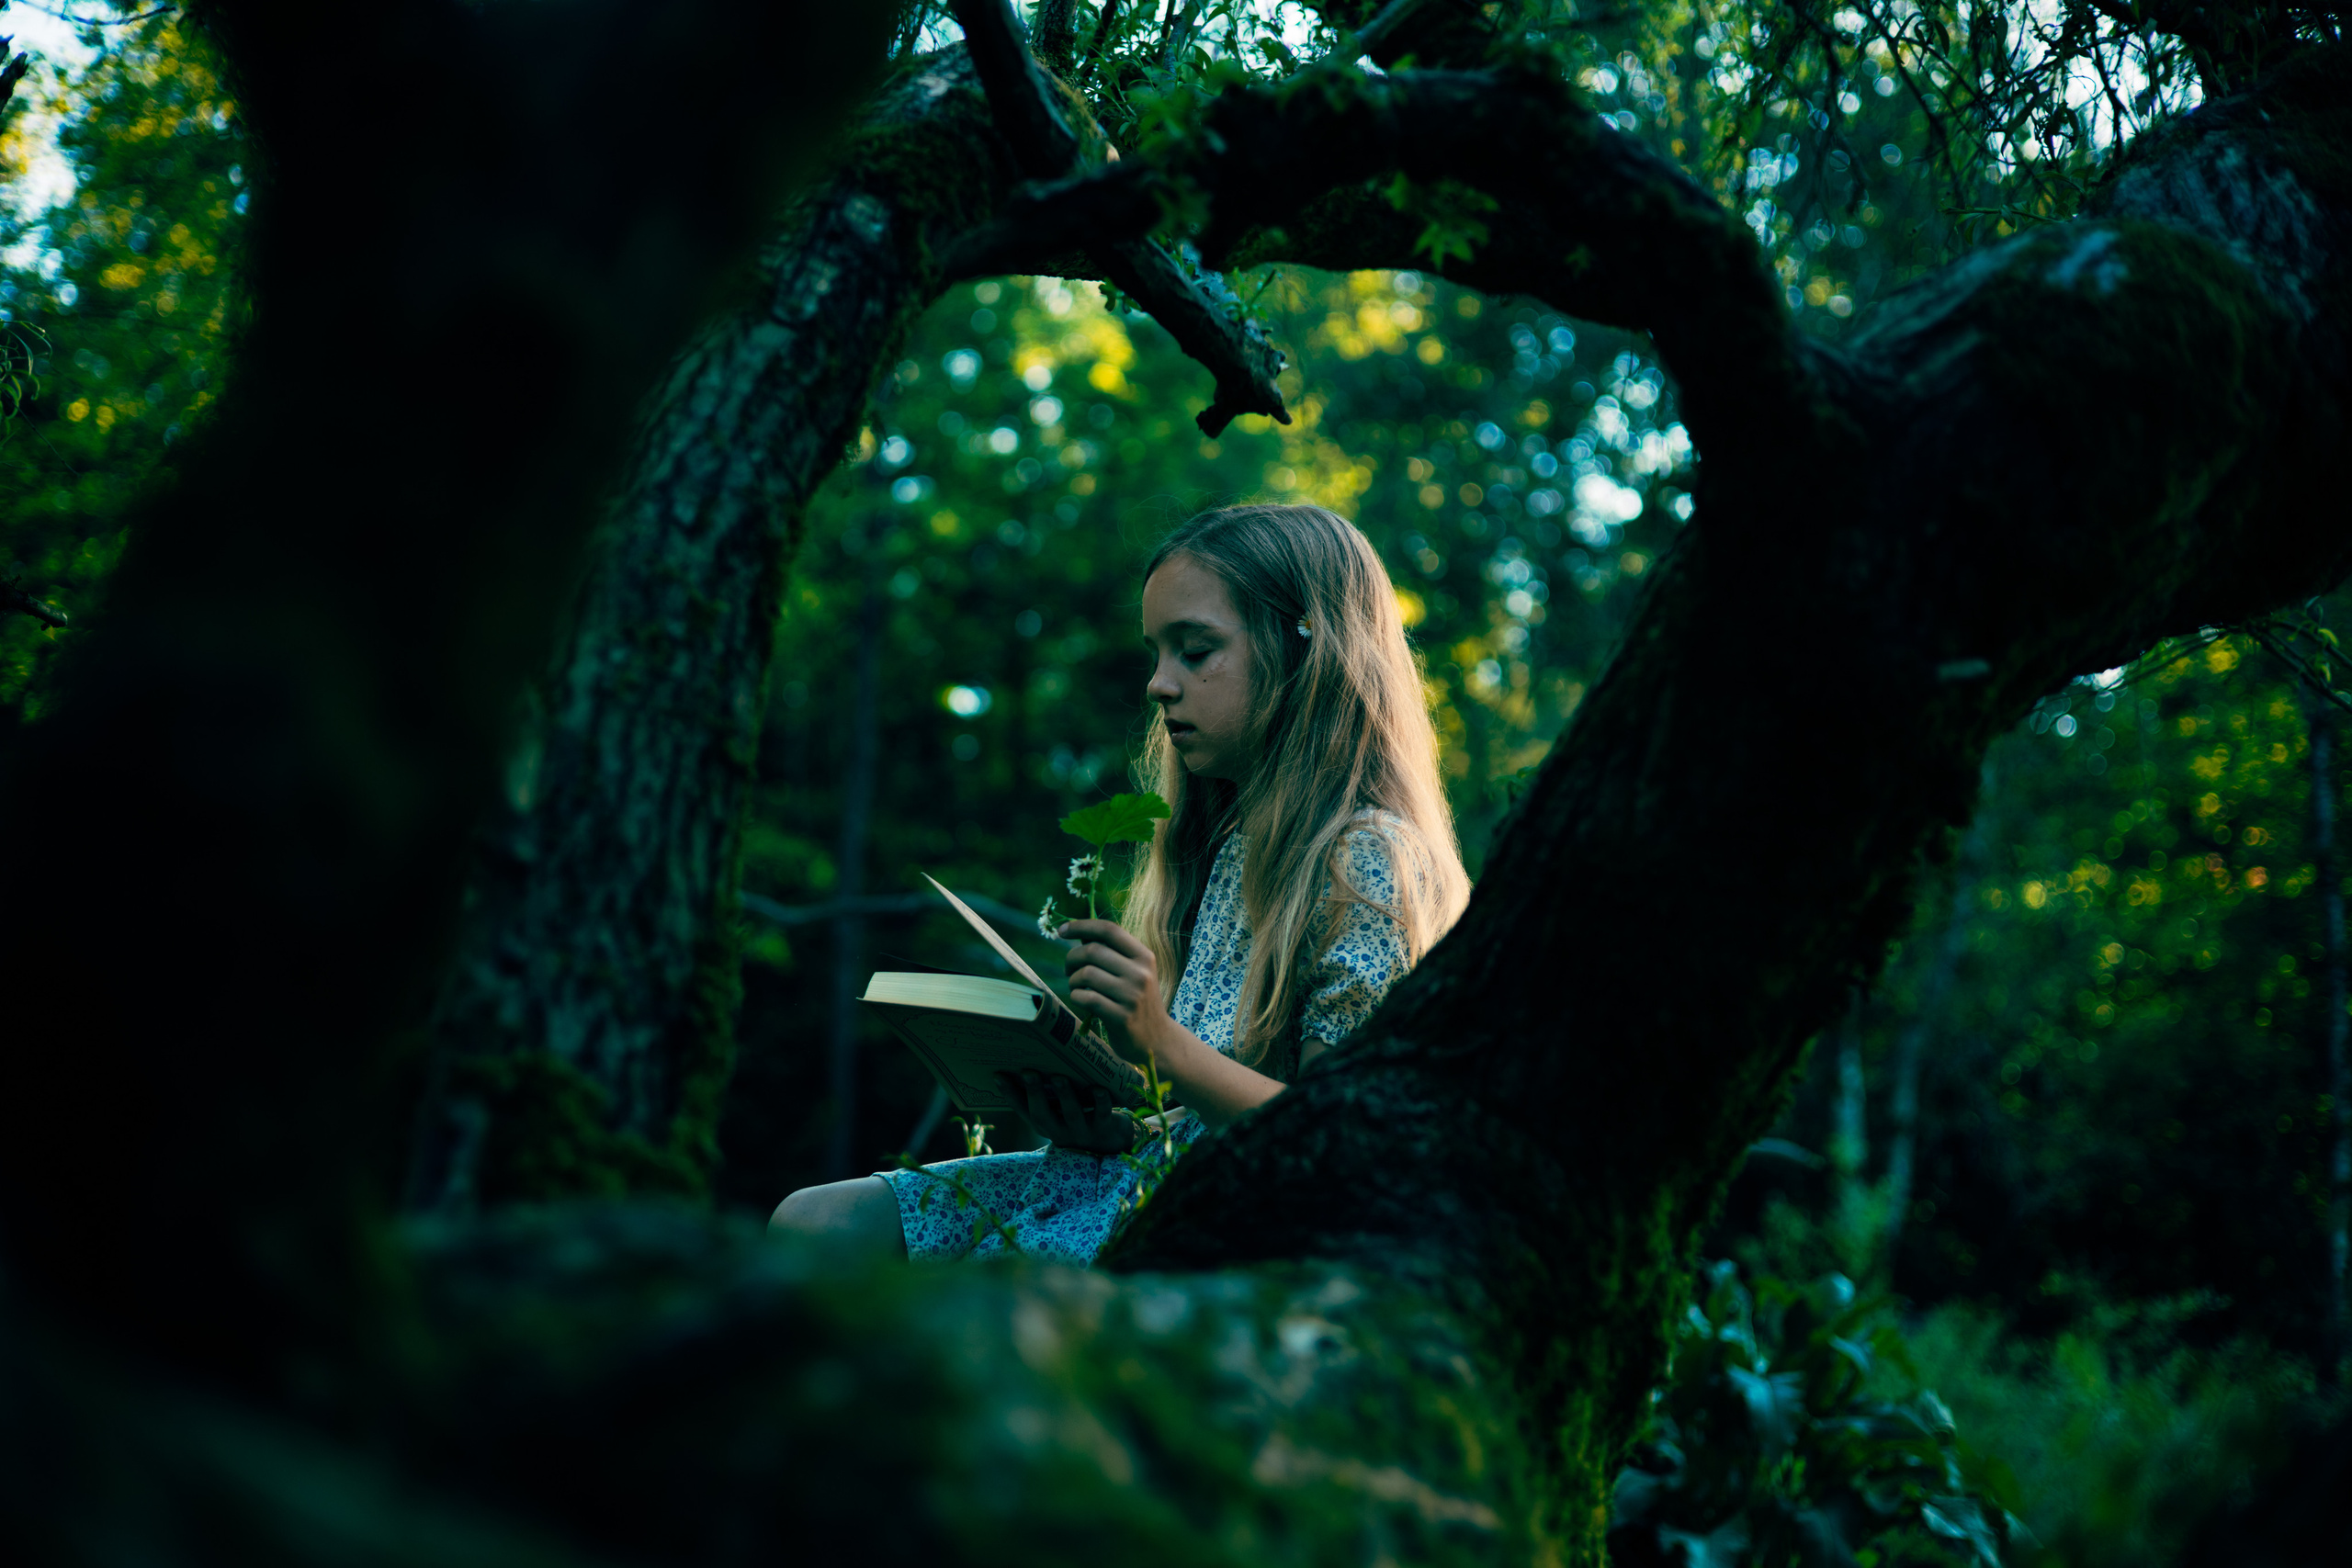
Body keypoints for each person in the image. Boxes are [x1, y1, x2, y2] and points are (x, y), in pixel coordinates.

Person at [769, 503, 1470, 1261]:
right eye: (1156, 653)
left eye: (1195, 650)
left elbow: (1342, 1146)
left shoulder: (1367, 858)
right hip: (1138, 1170)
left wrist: (1160, 1044)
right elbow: (1198, 1101)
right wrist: (1106, 1115)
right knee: (813, 1220)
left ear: (1305, 650)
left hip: (1220, 1217)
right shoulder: (1228, 841)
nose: (1158, 685)